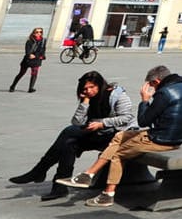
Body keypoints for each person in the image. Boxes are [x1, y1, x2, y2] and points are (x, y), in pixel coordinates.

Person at [61, 65, 182, 207]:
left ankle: (107, 195)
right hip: (176, 136)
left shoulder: (164, 93)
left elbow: (143, 120)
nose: (151, 88)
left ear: (157, 81)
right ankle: (88, 174)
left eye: (151, 85)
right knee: (120, 136)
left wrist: (145, 100)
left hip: (161, 139)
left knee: (118, 154)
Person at [10, 70, 135, 200]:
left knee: (69, 132)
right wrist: (85, 101)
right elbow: (77, 122)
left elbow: (127, 117)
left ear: (100, 84)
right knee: (69, 142)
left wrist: (102, 123)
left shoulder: (117, 95)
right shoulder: (89, 97)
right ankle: (58, 187)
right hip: (100, 133)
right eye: (85, 89)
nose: (89, 91)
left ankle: (39, 171)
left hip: (118, 136)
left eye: (92, 87)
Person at [10, 28, 46, 92]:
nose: (39, 33)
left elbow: (43, 50)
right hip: (27, 60)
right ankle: (13, 86)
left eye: (40, 32)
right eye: (37, 32)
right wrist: (30, 55)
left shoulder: (43, 41)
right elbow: (27, 52)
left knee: (34, 73)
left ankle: (31, 88)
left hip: (36, 60)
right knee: (21, 73)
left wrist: (39, 56)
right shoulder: (29, 41)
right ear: (33, 33)